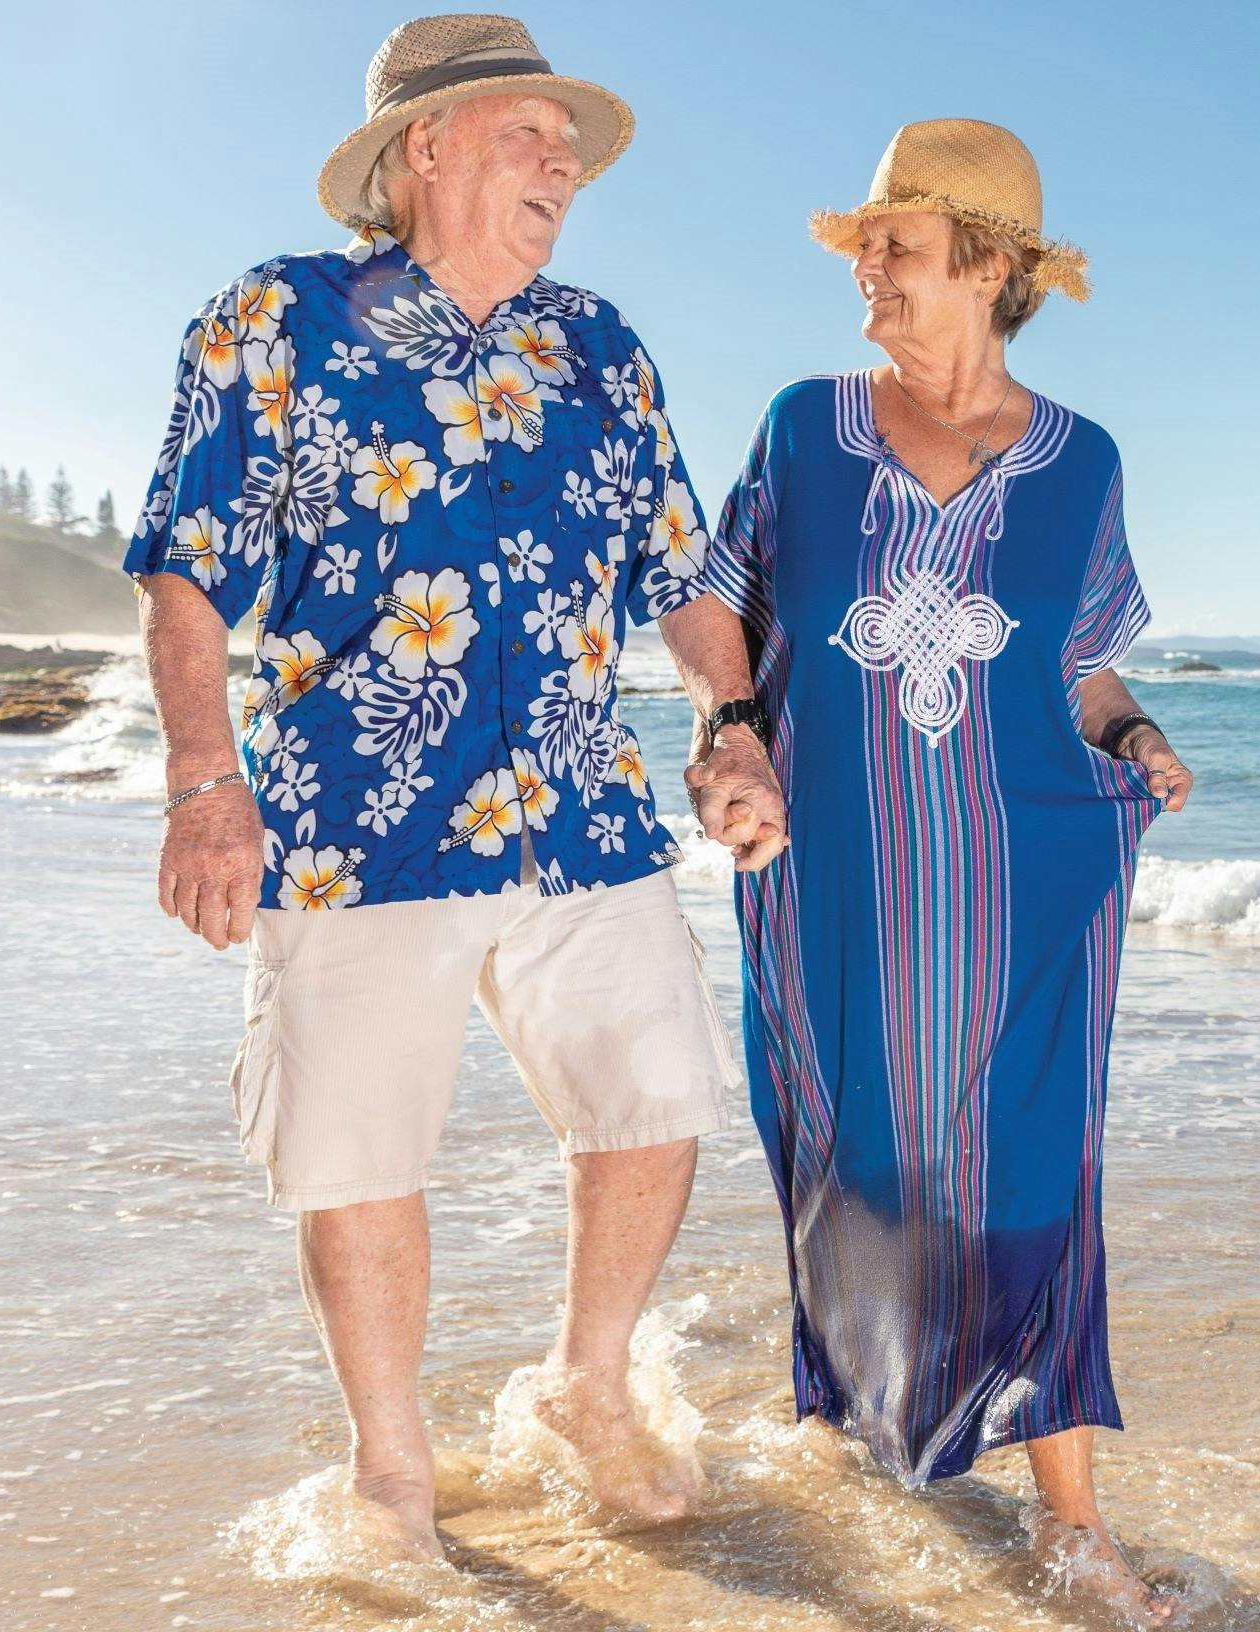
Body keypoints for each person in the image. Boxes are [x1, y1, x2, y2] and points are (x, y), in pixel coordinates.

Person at [125, 14, 779, 1557]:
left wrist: (733, 719)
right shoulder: (278, 317)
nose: (564, 164)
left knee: (656, 1093)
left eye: (570, 145)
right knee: (355, 1148)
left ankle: (585, 1386)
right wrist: (205, 782)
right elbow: (186, 570)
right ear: (423, 146)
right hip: (355, 813)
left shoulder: (598, 343)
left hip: (581, 802)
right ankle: (393, 1470)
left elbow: (679, 568)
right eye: (528, 134)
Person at [680, 118, 1196, 1625]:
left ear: (985, 263)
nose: (867, 273)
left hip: (1014, 880)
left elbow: (1077, 666)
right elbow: (715, 609)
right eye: (862, 250)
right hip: (829, 871)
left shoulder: (1081, 461)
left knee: (1036, 1164)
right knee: (848, 1153)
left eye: (894, 248)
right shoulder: (803, 426)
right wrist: (728, 736)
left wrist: (1136, 731)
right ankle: (858, 1425)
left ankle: (1071, 1525)